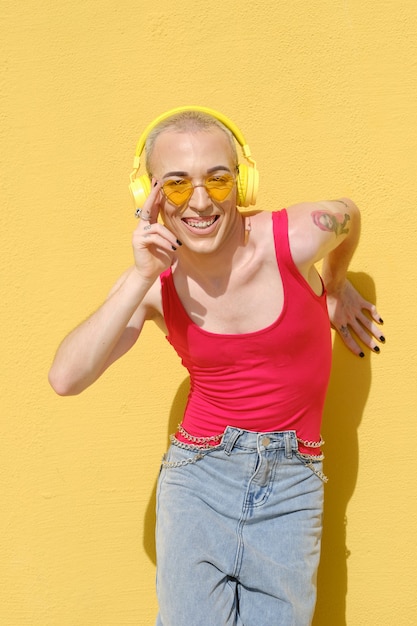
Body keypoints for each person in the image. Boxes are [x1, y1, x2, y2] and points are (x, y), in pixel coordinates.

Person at [48, 107, 384, 626]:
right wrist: (139, 280)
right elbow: (65, 378)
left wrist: (336, 287)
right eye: (177, 186)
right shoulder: (154, 283)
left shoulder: (294, 237)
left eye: (217, 179)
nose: (200, 202)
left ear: (242, 182)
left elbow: (351, 215)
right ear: (150, 195)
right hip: (199, 478)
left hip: (294, 484)